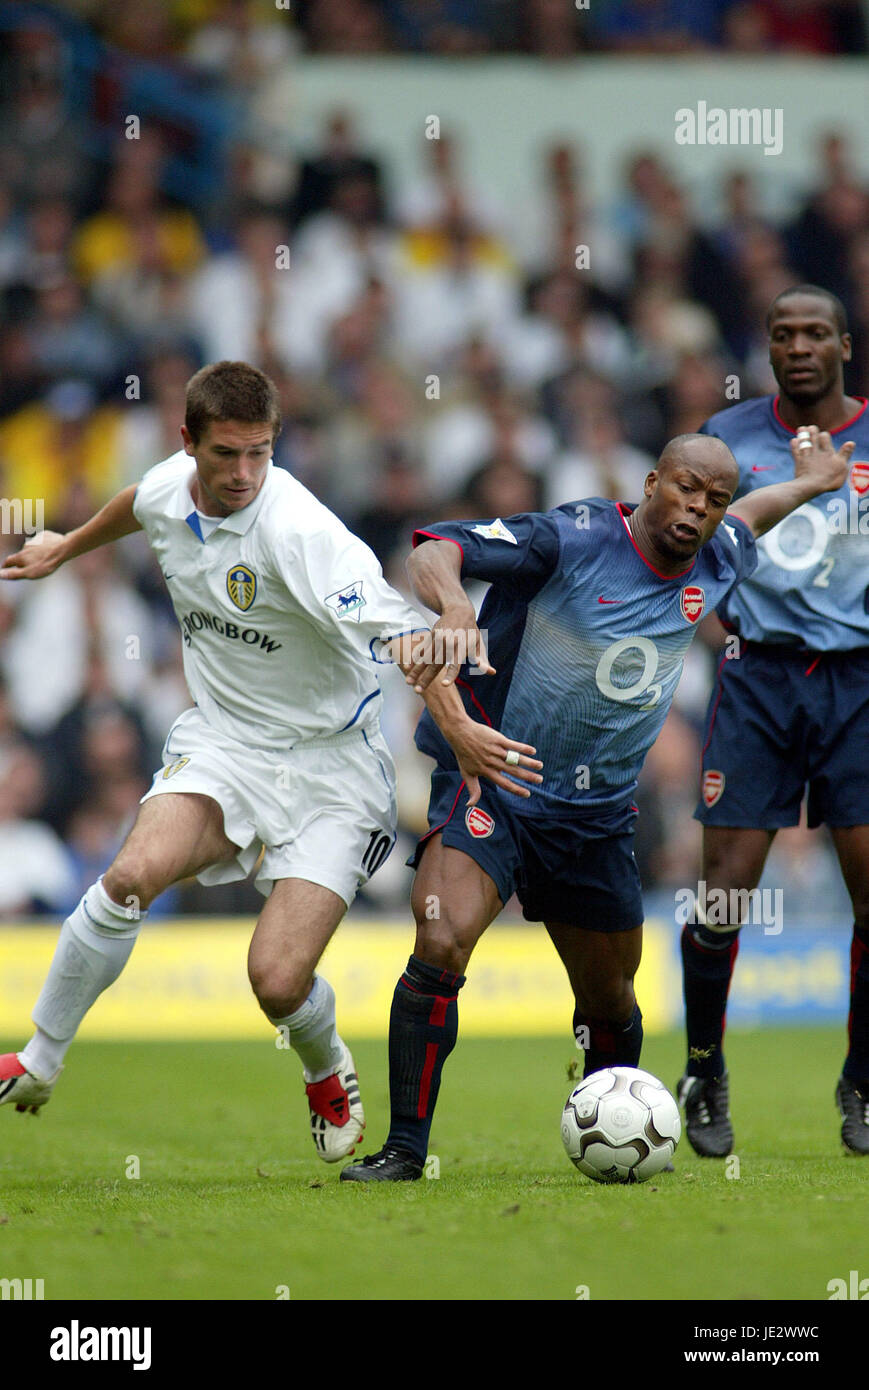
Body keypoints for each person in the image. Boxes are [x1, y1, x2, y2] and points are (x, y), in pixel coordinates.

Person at [0, 360, 538, 1164]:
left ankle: (324, 1063)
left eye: (261, 452)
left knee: (276, 980)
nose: (246, 473)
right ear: (189, 443)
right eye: (227, 455)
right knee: (126, 877)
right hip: (224, 744)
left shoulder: (303, 534)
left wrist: (457, 727)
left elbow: (411, 644)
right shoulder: (165, 486)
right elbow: (137, 508)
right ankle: (40, 1059)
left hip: (331, 772)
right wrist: (66, 547)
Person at [340, 423, 856, 1181]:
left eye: (712, 500)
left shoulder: (719, 555)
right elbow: (433, 547)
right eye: (683, 487)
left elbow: (755, 514)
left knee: (611, 1002)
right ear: (650, 484)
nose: (696, 509)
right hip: (498, 781)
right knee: (442, 938)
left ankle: (610, 1123)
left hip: (598, 818)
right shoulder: (569, 539)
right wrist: (452, 606)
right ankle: (405, 1151)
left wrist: (811, 483)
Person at [677, 285, 869, 1157]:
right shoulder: (728, 442)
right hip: (758, 680)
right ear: (765, 348)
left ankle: (860, 1082)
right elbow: (683, 543)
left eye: (814, 334)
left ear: (843, 346)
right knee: (723, 889)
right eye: (783, 334)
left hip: (858, 683)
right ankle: (705, 1066)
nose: (798, 347)